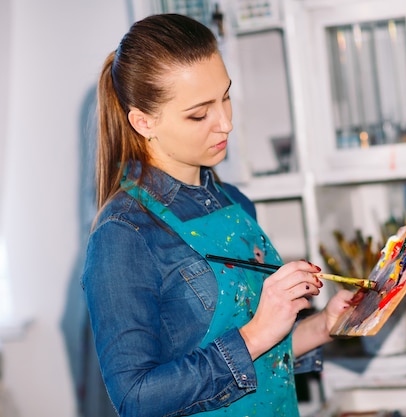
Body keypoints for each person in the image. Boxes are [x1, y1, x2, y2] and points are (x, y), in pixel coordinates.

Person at [82, 13, 354, 417]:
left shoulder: (234, 202)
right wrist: (257, 332)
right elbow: (136, 399)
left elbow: (262, 362)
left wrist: (324, 325)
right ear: (143, 121)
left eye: (225, 96)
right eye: (199, 113)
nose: (225, 122)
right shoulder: (123, 234)